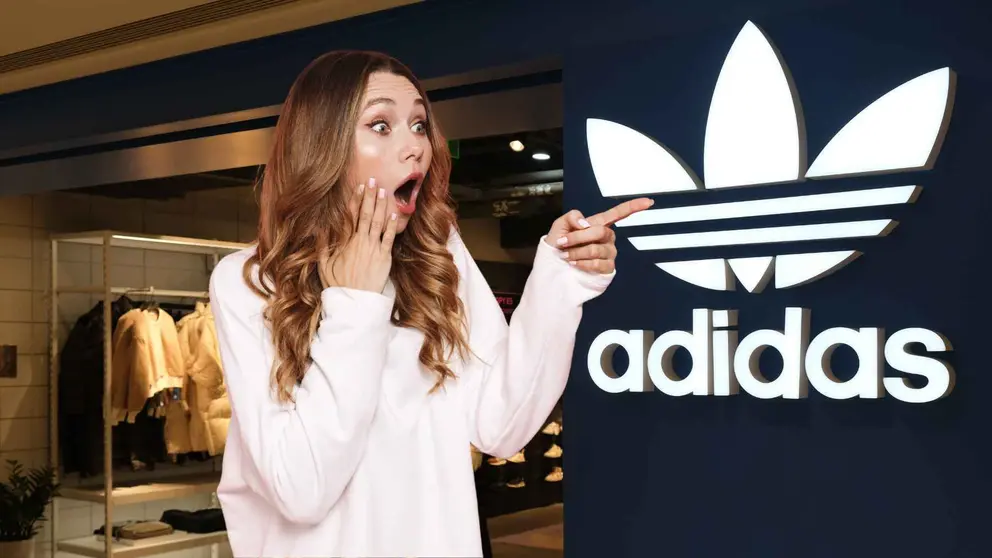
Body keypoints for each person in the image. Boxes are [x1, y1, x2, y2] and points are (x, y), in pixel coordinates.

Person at [208, 50, 652, 558]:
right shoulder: (249, 282)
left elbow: (501, 426)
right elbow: (300, 490)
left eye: (419, 125)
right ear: (322, 145)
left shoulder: (437, 259)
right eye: (381, 124)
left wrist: (560, 279)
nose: (414, 146)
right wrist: (353, 303)